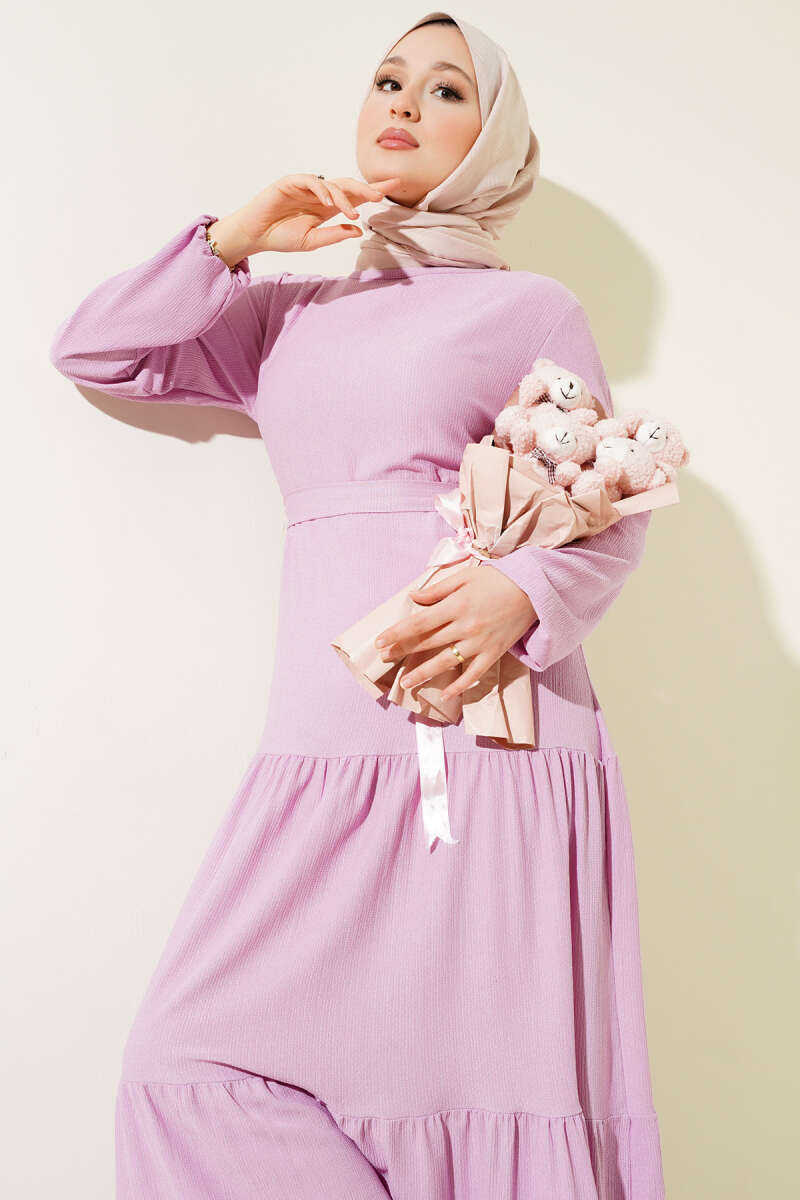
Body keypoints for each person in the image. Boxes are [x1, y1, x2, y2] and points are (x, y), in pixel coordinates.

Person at [49, 10, 666, 1198]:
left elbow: (608, 502)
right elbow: (97, 352)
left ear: (493, 139)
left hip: (487, 729)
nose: (403, 104)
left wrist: (520, 593)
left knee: (487, 1086)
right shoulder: (287, 314)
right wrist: (235, 240)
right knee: (178, 1068)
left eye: (445, 91)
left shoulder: (528, 308)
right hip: (322, 735)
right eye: (388, 79)